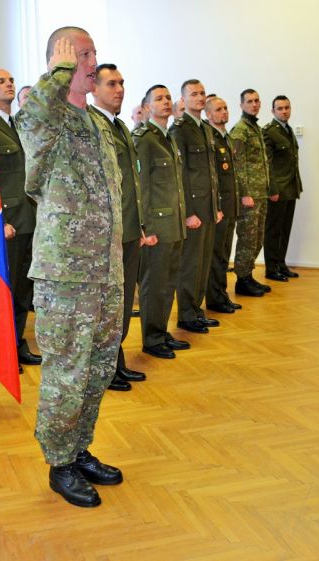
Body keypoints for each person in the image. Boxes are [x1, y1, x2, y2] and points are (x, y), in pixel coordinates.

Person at [16, 28, 124, 508]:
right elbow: (32, 115)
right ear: (58, 61)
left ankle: (79, 449)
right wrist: (58, 71)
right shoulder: (47, 116)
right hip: (66, 273)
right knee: (67, 371)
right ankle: (59, 463)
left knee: (98, 367)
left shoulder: (97, 122)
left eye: (93, 52)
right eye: (82, 54)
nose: (91, 61)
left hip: (107, 270)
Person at [90, 63, 150, 390]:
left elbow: (131, 181)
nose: (120, 89)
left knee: (124, 302)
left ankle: (116, 361)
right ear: (94, 88)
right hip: (106, 233)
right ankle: (104, 369)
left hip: (127, 227)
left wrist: (137, 224)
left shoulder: (120, 126)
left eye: (122, 83)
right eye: (111, 84)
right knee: (107, 307)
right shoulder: (91, 124)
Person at [0, 69, 40, 372]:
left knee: (22, 291)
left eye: (10, 81)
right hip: (6, 223)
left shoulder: (18, 125)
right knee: (3, 292)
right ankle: (1, 353)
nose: (8, 84)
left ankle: (17, 344)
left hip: (28, 219)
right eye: (0, 81)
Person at [133, 85, 187, 359]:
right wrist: (146, 227)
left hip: (173, 224)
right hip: (157, 226)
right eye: (159, 99)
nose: (166, 102)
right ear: (147, 107)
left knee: (168, 283)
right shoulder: (145, 139)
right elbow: (141, 187)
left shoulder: (168, 137)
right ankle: (151, 339)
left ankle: (161, 330)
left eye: (168, 98)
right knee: (154, 285)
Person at [170, 79, 222, 334]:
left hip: (208, 207)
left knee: (203, 262)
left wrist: (217, 205)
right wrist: (188, 212)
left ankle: (197, 309)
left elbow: (212, 173)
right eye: (194, 94)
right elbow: (180, 175)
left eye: (202, 93)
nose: (200, 97)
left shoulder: (206, 129)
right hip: (194, 210)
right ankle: (186, 315)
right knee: (190, 264)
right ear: (183, 100)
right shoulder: (180, 129)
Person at [230, 89, 271, 297]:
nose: (254, 105)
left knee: (258, 238)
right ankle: (242, 279)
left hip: (260, 193)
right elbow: (237, 165)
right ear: (242, 105)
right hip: (249, 197)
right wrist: (244, 193)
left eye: (256, 101)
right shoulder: (240, 131)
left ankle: (249, 274)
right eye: (249, 101)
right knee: (247, 237)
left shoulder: (255, 128)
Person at [204, 95, 241, 314]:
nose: (224, 112)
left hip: (230, 206)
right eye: (218, 109)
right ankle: (215, 298)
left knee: (225, 254)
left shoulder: (226, 138)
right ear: (208, 114)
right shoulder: (211, 139)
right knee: (216, 256)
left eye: (225, 108)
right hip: (219, 208)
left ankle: (222, 294)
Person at [262, 95, 302, 282]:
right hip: (278, 190)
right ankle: (271, 268)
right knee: (273, 230)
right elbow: (267, 164)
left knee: (285, 230)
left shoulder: (288, 130)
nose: (284, 111)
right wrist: (272, 189)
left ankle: (281, 264)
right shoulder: (269, 132)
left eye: (287, 107)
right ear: (273, 111)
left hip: (291, 188)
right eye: (280, 108)